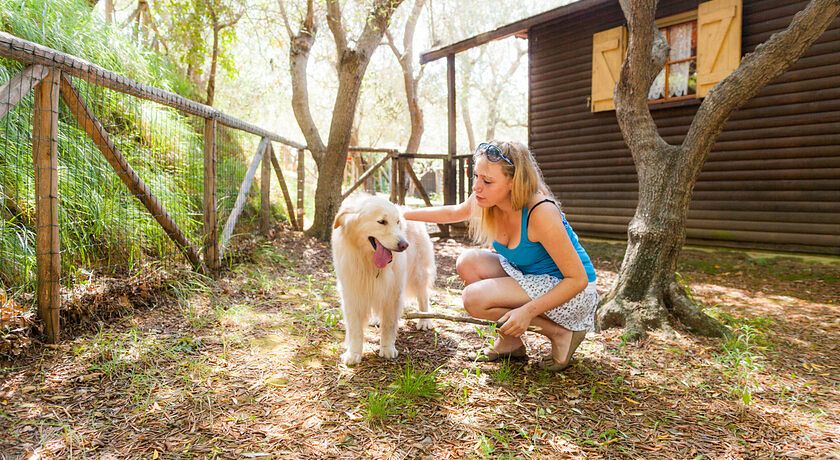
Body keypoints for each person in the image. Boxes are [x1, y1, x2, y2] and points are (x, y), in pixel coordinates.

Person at [403, 140, 598, 371]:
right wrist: (400, 214)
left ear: (513, 182)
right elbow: (454, 212)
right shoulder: (486, 200)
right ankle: (510, 342)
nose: (477, 187)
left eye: (487, 181)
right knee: (468, 262)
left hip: (572, 292)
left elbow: (578, 280)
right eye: (476, 176)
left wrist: (527, 312)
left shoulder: (541, 211)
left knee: (474, 298)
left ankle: (561, 334)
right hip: (528, 276)